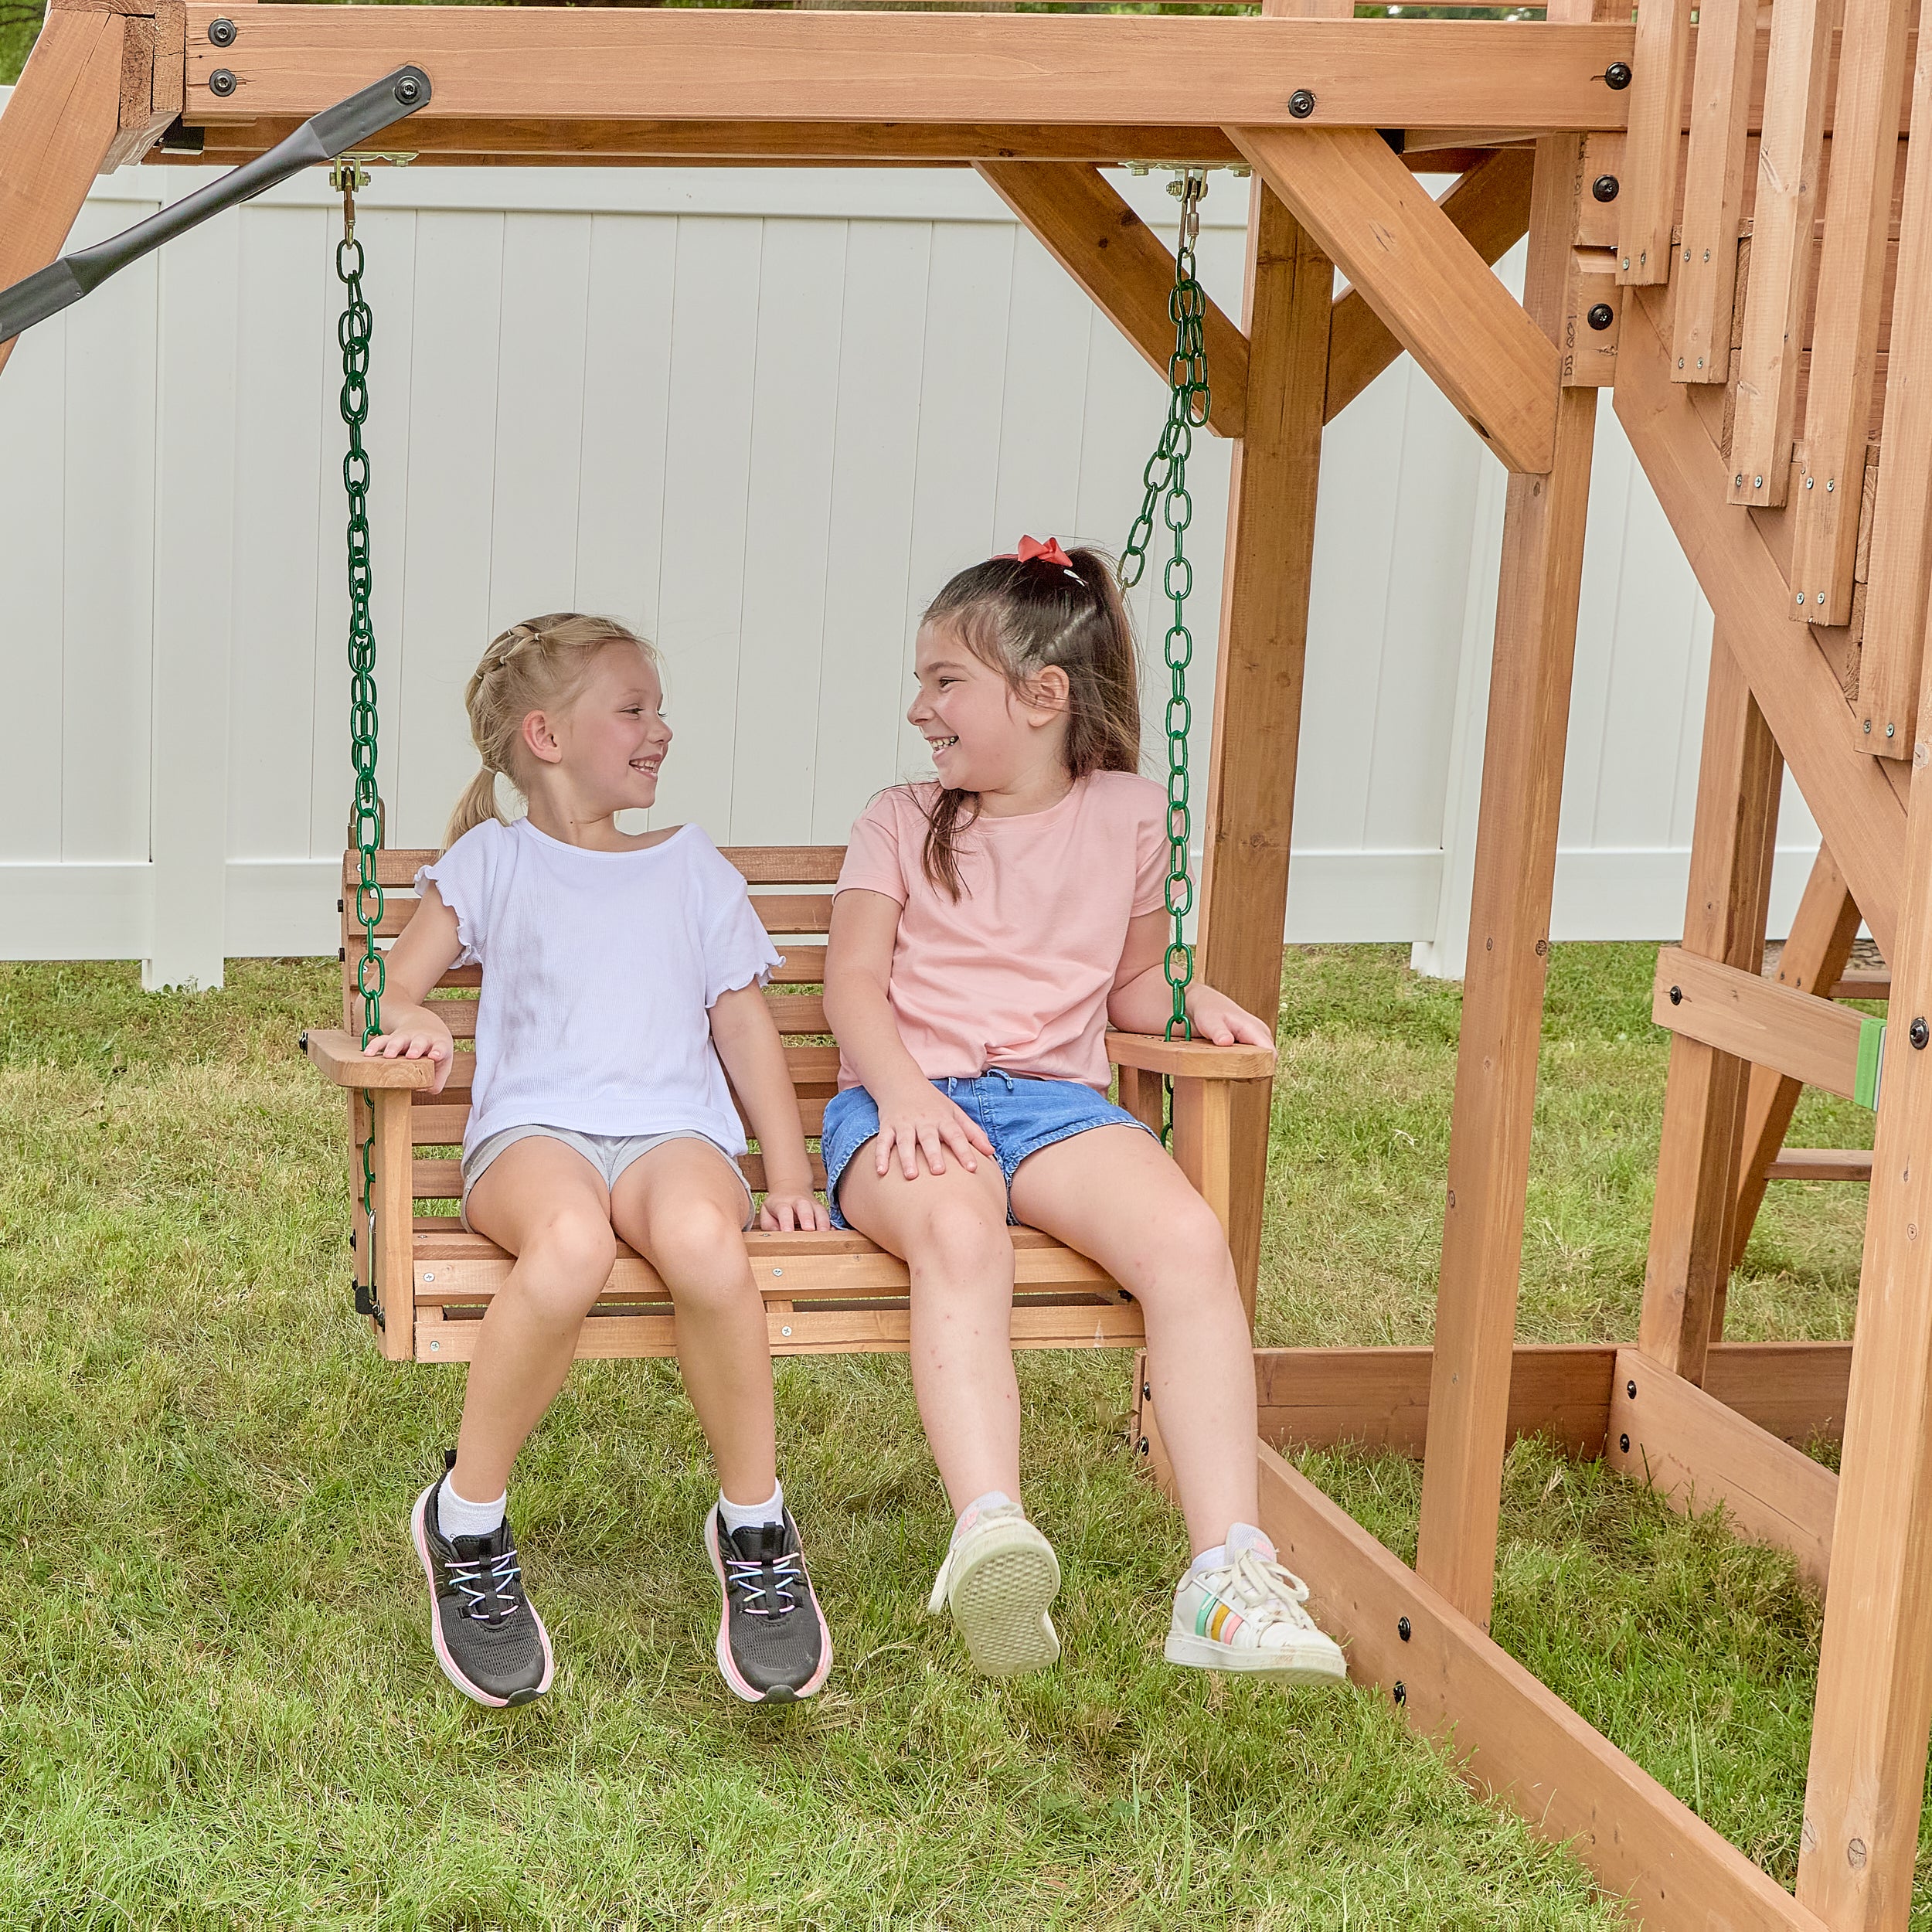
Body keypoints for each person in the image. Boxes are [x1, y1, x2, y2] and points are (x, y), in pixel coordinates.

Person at [821, 540, 1345, 1684]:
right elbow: (851, 981)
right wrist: (903, 1093)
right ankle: (991, 1530)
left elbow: (1132, 986)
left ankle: (1223, 1574)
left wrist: (1191, 998)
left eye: (945, 681)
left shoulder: (1128, 815)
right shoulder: (900, 818)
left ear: (1044, 695)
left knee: (1187, 1243)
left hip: (1053, 1105)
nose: (920, 708)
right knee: (958, 1233)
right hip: (905, 1106)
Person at [366, 613, 831, 1708]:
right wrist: (414, 1021)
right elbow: (396, 986)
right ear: (547, 735)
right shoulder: (496, 860)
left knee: (707, 1244)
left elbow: (745, 1026)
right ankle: (467, 1518)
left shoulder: (691, 869)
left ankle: (754, 1523)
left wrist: (791, 1173)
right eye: (634, 709)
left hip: (676, 1132)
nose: (660, 730)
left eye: (657, 709)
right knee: (570, 1246)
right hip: (535, 1137)